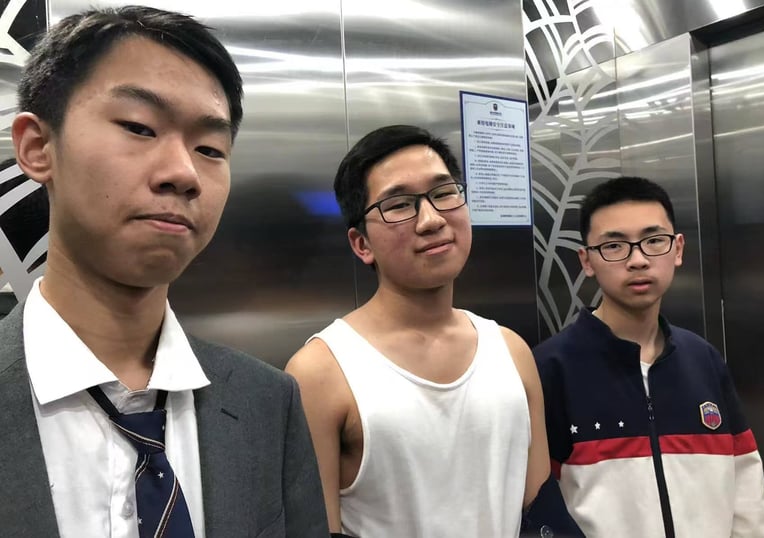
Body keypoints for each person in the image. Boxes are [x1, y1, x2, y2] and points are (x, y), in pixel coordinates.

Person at [0, 6, 328, 537]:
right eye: (139, 127)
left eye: (210, 149)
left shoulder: (269, 402)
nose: (183, 172)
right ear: (38, 147)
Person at [285, 124, 552, 537]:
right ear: (361, 244)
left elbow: (541, 514)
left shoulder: (511, 351)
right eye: (398, 205)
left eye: (444, 193)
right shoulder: (321, 371)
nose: (431, 220)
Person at [533, 176, 764, 536]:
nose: (638, 260)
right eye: (614, 246)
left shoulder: (703, 360)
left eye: (654, 241)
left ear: (678, 249)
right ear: (587, 261)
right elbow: (538, 504)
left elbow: (746, 486)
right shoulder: (550, 369)